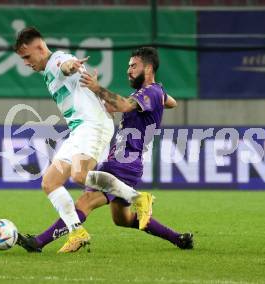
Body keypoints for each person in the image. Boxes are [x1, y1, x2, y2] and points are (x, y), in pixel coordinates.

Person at [16, 47, 193, 253]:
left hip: (124, 162)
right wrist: (159, 97)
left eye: (133, 66)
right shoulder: (150, 93)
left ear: (149, 68)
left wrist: (96, 88)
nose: (128, 70)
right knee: (123, 219)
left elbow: (126, 106)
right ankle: (178, 239)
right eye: (128, 66)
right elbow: (172, 102)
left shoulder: (150, 91)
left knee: (85, 201)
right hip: (123, 161)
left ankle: (39, 242)